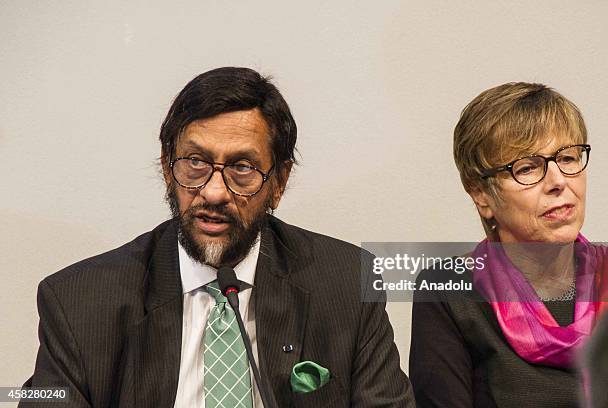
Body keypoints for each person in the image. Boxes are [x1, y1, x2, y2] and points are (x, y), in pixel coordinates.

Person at [22, 67, 414, 407]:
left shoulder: (345, 284)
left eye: (242, 167)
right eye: (195, 163)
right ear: (166, 166)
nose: (213, 192)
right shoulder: (81, 303)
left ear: (278, 182)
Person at [409, 82, 608, 407]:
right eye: (528, 167)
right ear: (481, 194)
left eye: (569, 158)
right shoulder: (449, 292)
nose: (558, 181)